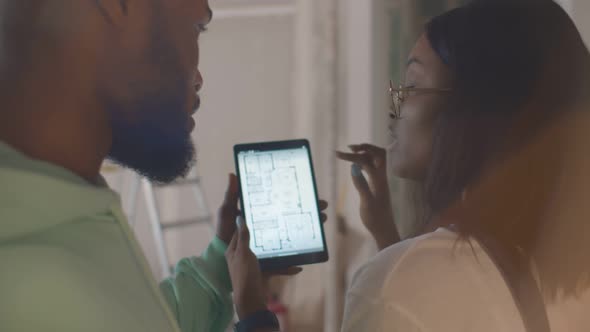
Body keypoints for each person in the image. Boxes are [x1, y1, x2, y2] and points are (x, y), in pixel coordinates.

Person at [0, 1, 327, 331]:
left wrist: (219, 268)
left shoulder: (65, 212)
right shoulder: (21, 281)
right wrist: (256, 317)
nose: (198, 79)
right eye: (196, 28)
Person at [337, 0, 590, 331]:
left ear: (471, 111)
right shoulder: (567, 261)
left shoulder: (401, 282)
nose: (393, 109)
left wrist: (254, 307)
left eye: (410, 86)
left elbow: (418, 296)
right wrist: (388, 236)